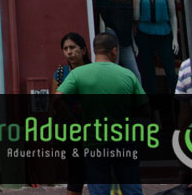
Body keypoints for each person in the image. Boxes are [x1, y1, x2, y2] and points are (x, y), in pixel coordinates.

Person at [54, 31, 150, 195]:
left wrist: (74, 123)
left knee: (98, 188)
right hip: (124, 140)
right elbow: (144, 109)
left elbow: (57, 99)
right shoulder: (128, 75)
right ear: (114, 51)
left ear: (93, 50)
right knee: (131, 187)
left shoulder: (78, 74)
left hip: (94, 141)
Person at [51, 32, 90, 195]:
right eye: (65, 48)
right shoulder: (61, 73)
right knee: (75, 173)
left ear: (84, 50)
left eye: (73, 47)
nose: (69, 52)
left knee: (98, 170)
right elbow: (54, 101)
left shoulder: (93, 71)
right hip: (72, 130)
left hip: (94, 128)